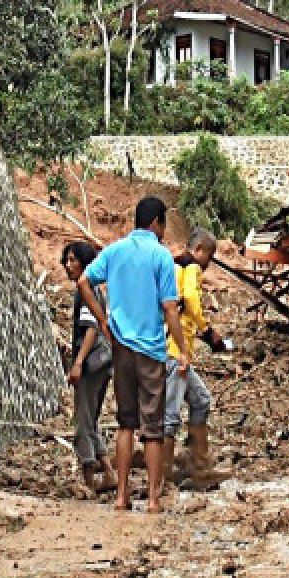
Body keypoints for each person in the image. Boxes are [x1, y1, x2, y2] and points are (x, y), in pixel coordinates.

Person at [78, 196, 190, 513]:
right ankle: (153, 500)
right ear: (156, 223)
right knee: (152, 427)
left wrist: (103, 320)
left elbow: (84, 281)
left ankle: (122, 496)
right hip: (151, 349)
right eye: (164, 225)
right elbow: (170, 307)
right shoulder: (161, 257)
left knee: (126, 423)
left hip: (121, 347)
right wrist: (182, 349)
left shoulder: (114, 251)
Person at [163, 228, 232, 491]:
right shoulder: (190, 267)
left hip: (174, 348)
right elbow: (191, 299)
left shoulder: (172, 266)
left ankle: (197, 463)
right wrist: (207, 329)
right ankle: (164, 476)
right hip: (175, 351)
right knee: (171, 414)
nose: (209, 263)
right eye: (209, 257)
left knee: (201, 399)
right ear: (200, 249)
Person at [62, 241, 118, 494]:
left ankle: (88, 477)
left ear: (85, 262)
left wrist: (77, 363)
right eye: (66, 260)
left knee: (83, 420)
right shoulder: (96, 289)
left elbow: (91, 330)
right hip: (105, 362)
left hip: (91, 363)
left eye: (73, 260)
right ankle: (108, 471)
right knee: (92, 419)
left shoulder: (85, 290)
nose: (67, 265)